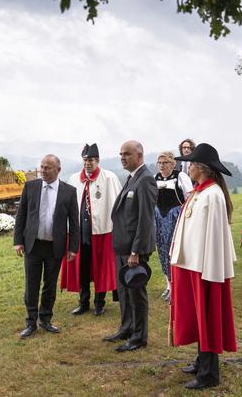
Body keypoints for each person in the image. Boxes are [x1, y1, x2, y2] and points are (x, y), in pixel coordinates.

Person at [169, 143, 237, 390]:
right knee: (199, 317)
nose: (187, 169)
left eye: (190, 165)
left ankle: (209, 374)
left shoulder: (213, 195)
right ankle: (201, 361)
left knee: (207, 317)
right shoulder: (200, 192)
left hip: (206, 268)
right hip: (193, 264)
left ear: (201, 168)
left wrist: (210, 269)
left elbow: (214, 238)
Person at [13, 154, 80, 339]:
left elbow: (74, 223)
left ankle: (46, 319)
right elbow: (21, 215)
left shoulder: (69, 192)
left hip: (55, 247)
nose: (43, 170)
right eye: (42, 167)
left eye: (48, 167)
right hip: (33, 245)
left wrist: (73, 248)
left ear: (58, 170)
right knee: (31, 285)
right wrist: (17, 241)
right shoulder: (31, 187)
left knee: (50, 286)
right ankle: (31, 322)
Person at [103, 140, 158, 352]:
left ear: (139, 155)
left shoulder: (145, 180)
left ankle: (139, 336)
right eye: (120, 154)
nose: (122, 158)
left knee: (136, 292)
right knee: (124, 292)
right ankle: (126, 327)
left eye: (127, 154)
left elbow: (145, 219)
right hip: (123, 247)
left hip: (134, 250)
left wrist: (135, 251)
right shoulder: (131, 178)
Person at [60, 143, 122, 316]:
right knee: (83, 267)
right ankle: (83, 302)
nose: (88, 163)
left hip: (102, 231)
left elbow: (117, 205)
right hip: (80, 233)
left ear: (98, 160)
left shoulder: (109, 178)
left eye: (91, 160)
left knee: (101, 267)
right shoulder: (74, 179)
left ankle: (99, 302)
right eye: (85, 160)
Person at [153, 151, 192, 302]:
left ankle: (177, 286)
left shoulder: (180, 176)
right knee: (162, 250)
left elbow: (189, 198)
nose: (162, 166)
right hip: (159, 219)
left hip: (175, 218)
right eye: (160, 163)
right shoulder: (155, 178)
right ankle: (169, 285)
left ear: (173, 164)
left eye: (165, 163)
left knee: (174, 252)